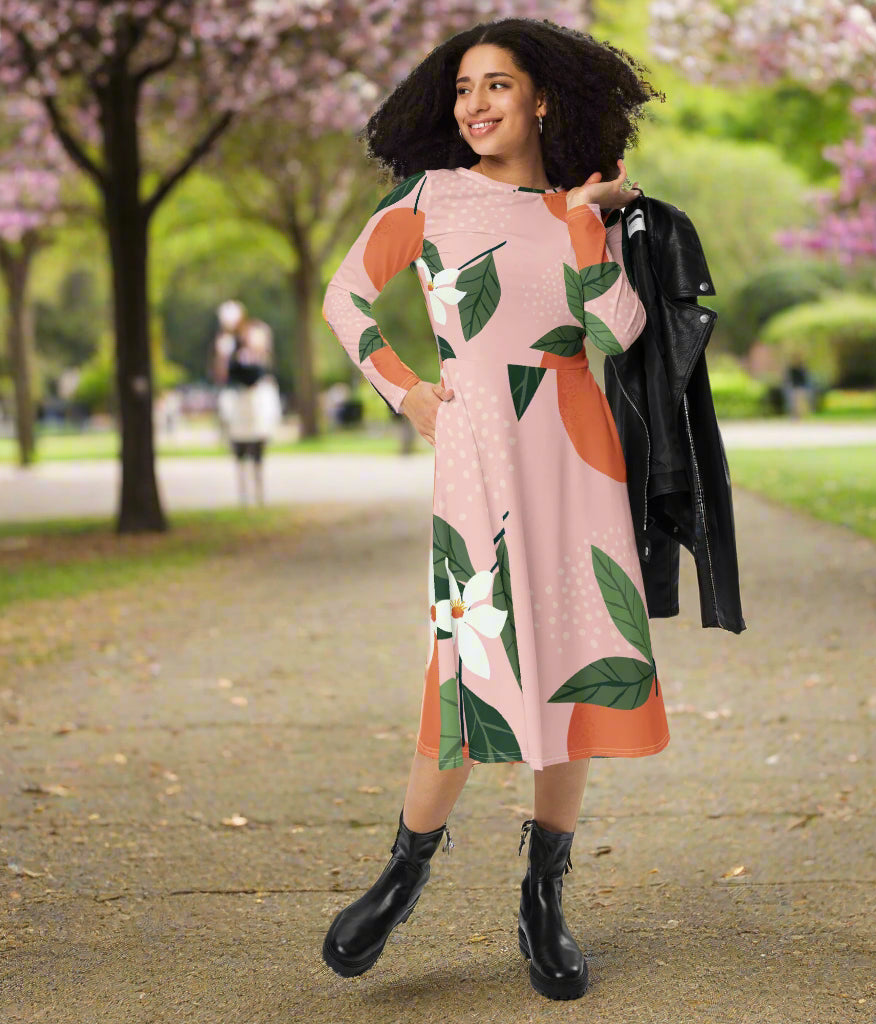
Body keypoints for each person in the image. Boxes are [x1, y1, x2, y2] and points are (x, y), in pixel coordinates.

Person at [320, 17, 664, 1000]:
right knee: (467, 664)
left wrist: (586, 222)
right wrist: (404, 389)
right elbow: (347, 299)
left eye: (497, 86)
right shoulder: (428, 199)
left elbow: (620, 326)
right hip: (475, 457)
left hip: (574, 455)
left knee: (573, 673)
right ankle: (402, 871)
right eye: (464, 88)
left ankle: (543, 898)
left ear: (540, 98)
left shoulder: (574, 207)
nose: (475, 105)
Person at [212, 300, 281, 506]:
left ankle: (259, 493)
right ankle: (244, 494)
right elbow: (221, 374)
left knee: (259, 442)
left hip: (256, 397)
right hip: (238, 397)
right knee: (239, 444)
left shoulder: (256, 332)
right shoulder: (225, 342)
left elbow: (264, 357)